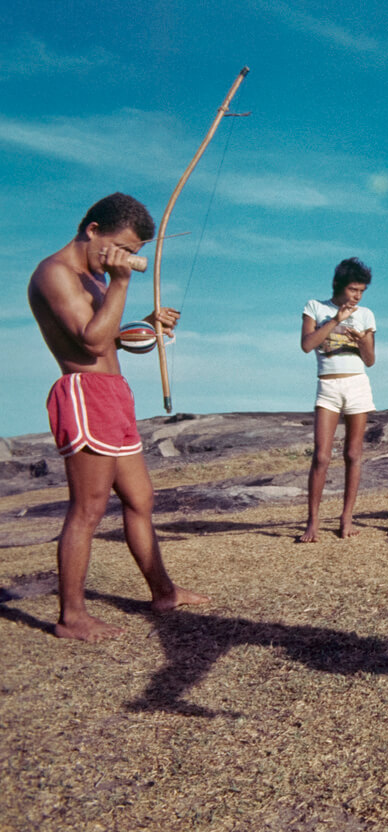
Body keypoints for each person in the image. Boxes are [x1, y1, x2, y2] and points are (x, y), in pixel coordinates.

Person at [27, 192, 208, 641]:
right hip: (85, 395)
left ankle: (163, 592)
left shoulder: (93, 277)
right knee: (88, 508)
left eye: (133, 252)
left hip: (114, 394)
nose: (126, 258)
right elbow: (90, 343)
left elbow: (108, 338)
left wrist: (146, 324)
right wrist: (122, 283)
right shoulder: (55, 273)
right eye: (123, 248)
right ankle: (72, 616)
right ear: (93, 231)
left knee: (140, 498)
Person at [299, 258, 377, 542]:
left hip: (357, 384)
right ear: (338, 285)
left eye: (361, 291)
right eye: (353, 289)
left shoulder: (366, 314)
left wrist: (362, 340)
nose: (357, 296)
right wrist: (335, 321)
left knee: (353, 454)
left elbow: (370, 360)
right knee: (321, 456)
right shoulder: (315, 307)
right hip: (328, 386)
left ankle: (347, 518)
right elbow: (307, 345)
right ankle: (313, 521)